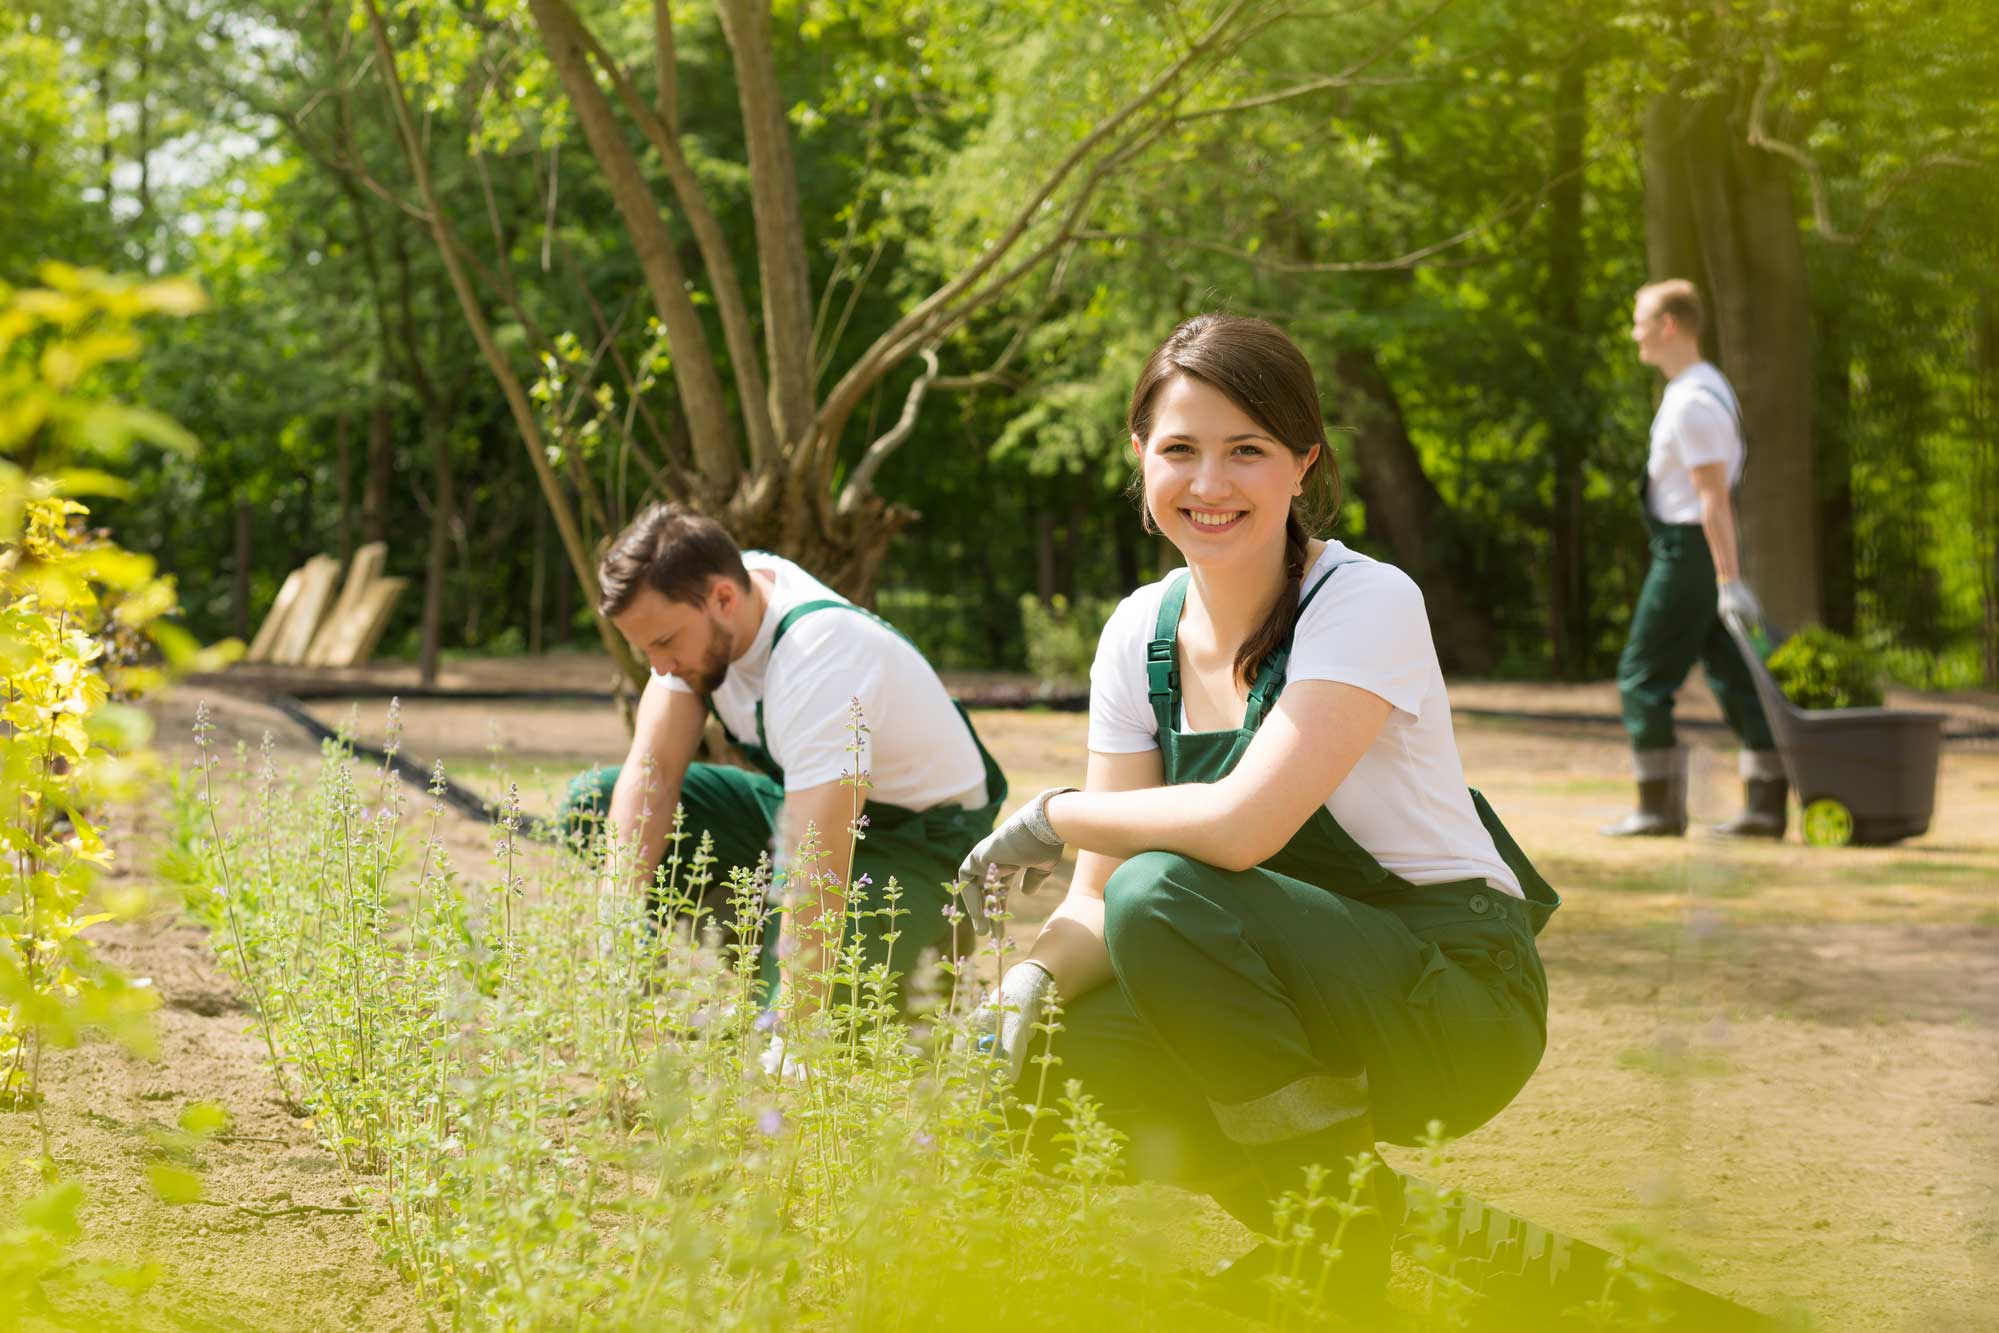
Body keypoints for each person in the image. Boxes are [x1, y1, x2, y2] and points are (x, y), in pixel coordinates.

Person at [955, 315, 1560, 1300]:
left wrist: (1056, 812)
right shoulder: (1135, 636)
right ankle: (1325, 1204)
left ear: (1301, 466)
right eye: (1181, 450)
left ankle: (1336, 1242)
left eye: (1247, 452)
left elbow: (1239, 828)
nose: (1209, 484)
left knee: (1166, 891)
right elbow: (1095, 901)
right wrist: (1017, 994)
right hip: (1262, 983)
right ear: (1139, 457)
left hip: (1450, 997)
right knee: (1039, 1078)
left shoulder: (1364, 601)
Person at [563, 504, 1007, 1024]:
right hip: (814, 804)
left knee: (827, 1009)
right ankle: (767, 953)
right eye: (643, 650)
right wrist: (620, 921)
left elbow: (814, 860)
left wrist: (791, 1030)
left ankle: (929, 943)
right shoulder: (711, 601)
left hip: (923, 839)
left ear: (723, 599)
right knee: (592, 805)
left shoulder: (821, 656)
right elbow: (651, 776)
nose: (659, 668)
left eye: (663, 643)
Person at [1602, 279, 1784, 839]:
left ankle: (1658, 808)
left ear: (1669, 326)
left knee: (1641, 676)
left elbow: (1713, 500)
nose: (1634, 332)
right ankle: (1766, 807)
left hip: (1688, 555)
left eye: (1640, 321)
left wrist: (1726, 580)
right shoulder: (1706, 388)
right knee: (1736, 678)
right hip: (1697, 554)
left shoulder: (1692, 403)